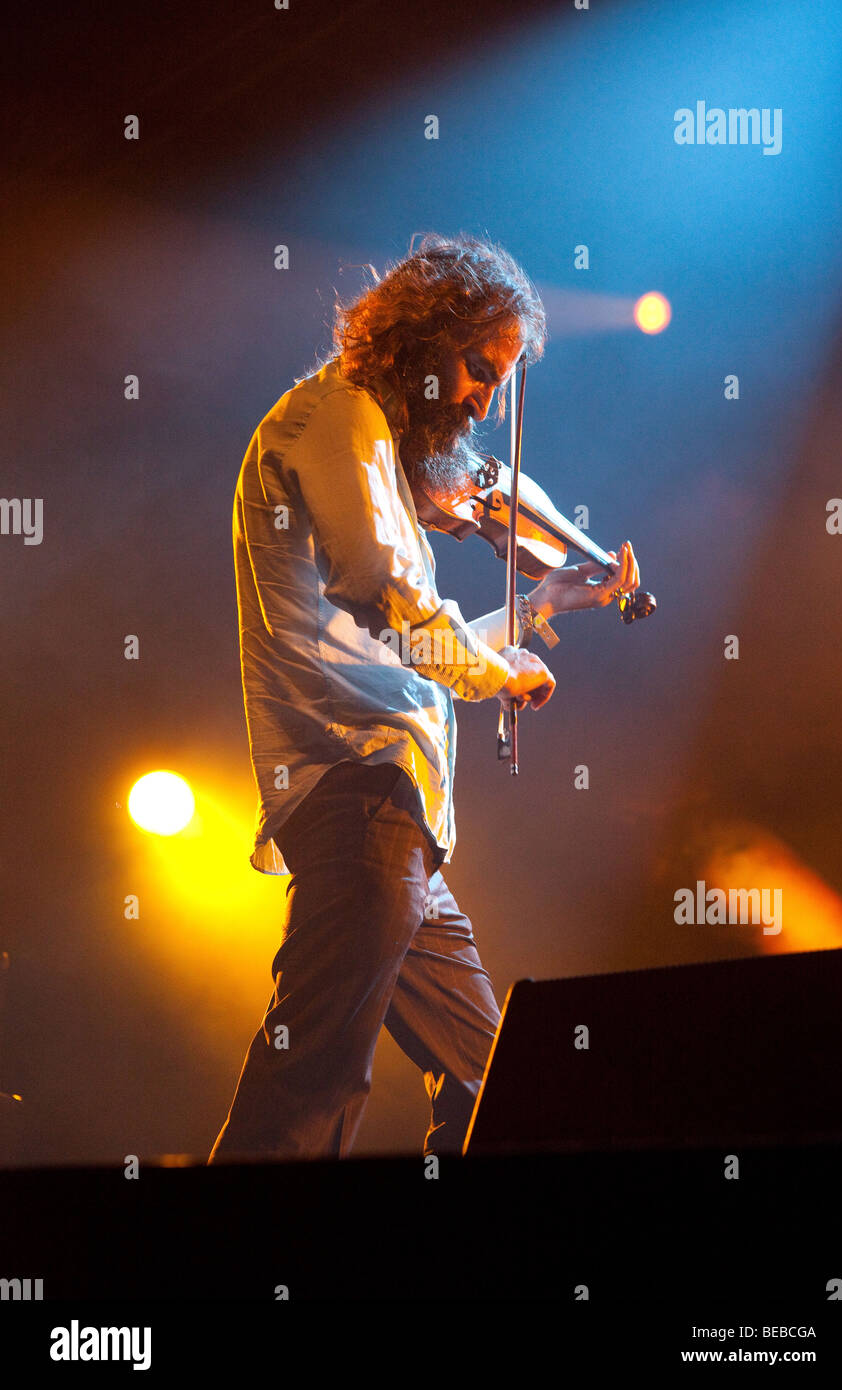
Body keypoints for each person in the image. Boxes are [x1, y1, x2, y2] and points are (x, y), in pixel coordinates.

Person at [207, 233, 639, 1163]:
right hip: (359, 800)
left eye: (501, 380)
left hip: (394, 813)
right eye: (480, 367)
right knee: (313, 1082)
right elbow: (395, 599)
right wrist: (494, 674)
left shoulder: (372, 444)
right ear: (422, 334)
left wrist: (542, 606)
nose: (487, 399)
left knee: (499, 1091)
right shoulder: (336, 418)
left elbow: (410, 656)